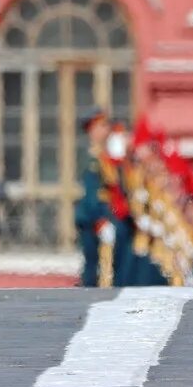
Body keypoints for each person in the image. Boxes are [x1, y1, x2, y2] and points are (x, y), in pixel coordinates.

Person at [74, 108, 113, 288]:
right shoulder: (90, 157)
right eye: (101, 126)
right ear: (92, 129)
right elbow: (90, 192)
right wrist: (99, 219)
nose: (106, 130)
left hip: (102, 216)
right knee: (92, 264)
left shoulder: (103, 155)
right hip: (91, 218)